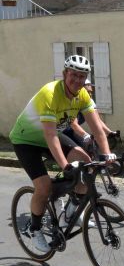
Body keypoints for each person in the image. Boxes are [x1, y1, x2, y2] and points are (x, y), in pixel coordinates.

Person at [9, 54, 115, 252]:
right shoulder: (50, 93)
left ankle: (69, 212)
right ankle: (34, 228)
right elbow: (50, 135)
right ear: (65, 74)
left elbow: (97, 128)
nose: (77, 80)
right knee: (43, 186)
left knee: (86, 164)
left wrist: (107, 155)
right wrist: (65, 166)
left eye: (82, 76)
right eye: (73, 75)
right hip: (26, 140)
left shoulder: (82, 95)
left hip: (49, 137)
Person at [61, 78, 118, 151]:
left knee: (90, 148)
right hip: (59, 132)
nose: (90, 95)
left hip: (71, 130)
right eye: (87, 92)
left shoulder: (89, 102)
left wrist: (109, 133)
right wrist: (86, 135)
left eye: (91, 92)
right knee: (78, 151)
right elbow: (74, 124)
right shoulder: (73, 101)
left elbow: (97, 120)